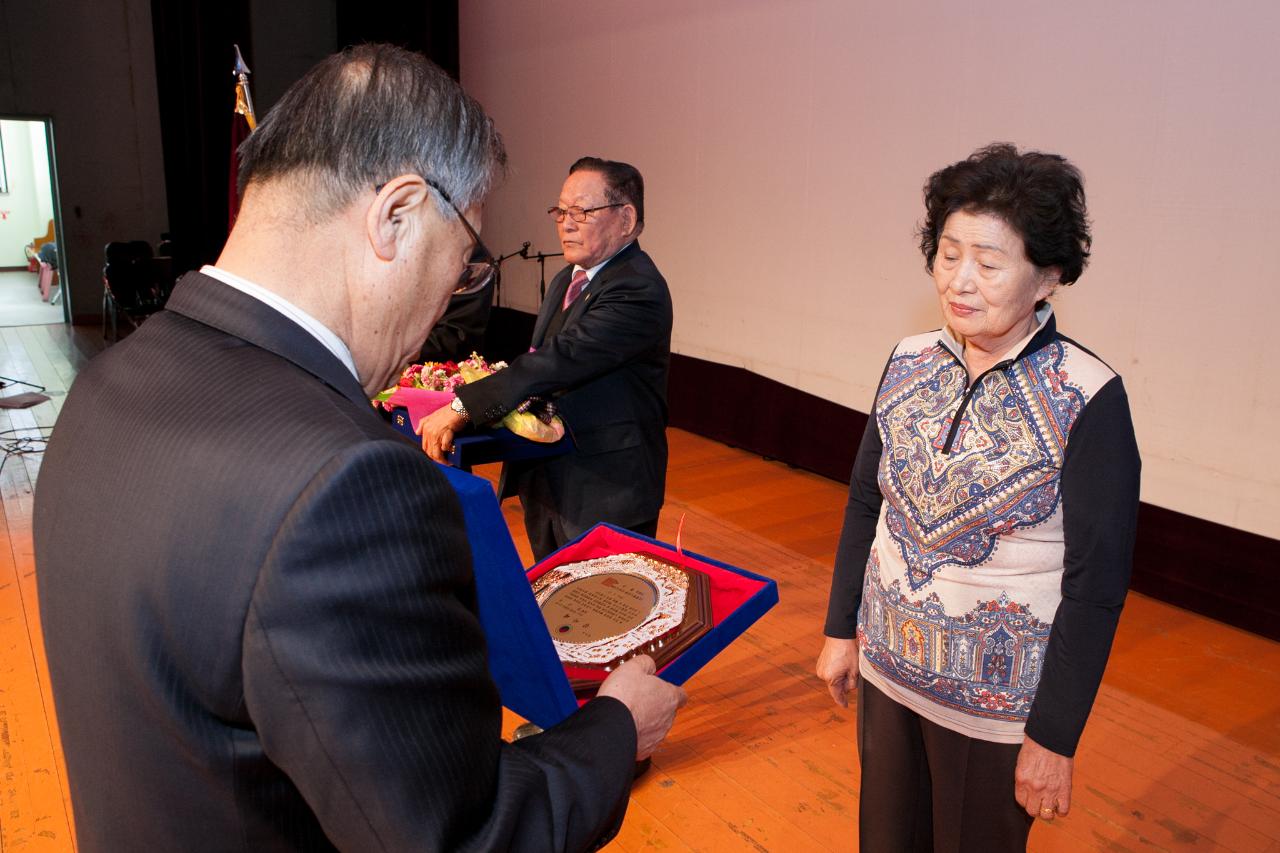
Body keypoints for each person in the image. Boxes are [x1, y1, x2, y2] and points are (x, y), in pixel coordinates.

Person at [34, 44, 685, 853]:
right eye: (462, 262)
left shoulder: (106, 384)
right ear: (396, 217)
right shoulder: (349, 487)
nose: (452, 292)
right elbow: (468, 835)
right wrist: (617, 727)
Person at [816, 143, 1140, 852]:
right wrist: (842, 629)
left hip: (994, 716)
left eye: (989, 263)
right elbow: (867, 504)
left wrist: (1053, 736)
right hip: (890, 676)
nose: (961, 279)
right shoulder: (907, 361)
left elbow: (1097, 584)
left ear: (1048, 276)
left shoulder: (1089, 396)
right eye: (948, 253)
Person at [421, 157, 672, 561]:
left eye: (583, 212)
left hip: (605, 488)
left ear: (625, 219)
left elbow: (558, 361)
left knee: (603, 614)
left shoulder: (637, 289)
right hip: (548, 477)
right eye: (562, 211)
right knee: (554, 612)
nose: (566, 223)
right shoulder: (567, 278)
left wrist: (466, 405)